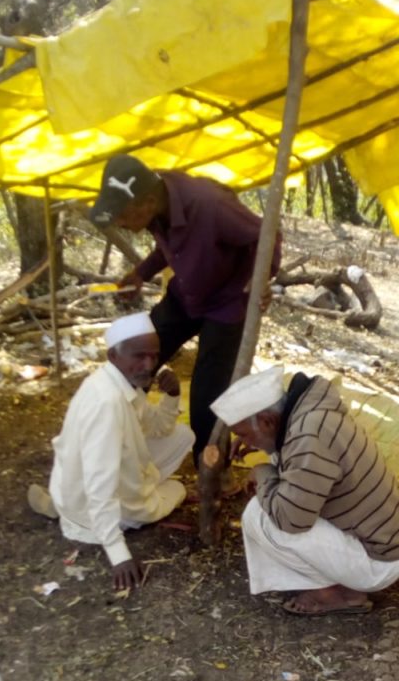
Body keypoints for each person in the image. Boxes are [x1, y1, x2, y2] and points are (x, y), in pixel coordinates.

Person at [89, 154, 281, 465]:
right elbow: (170, 246)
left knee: (208, 391)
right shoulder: (157, 204)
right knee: (137, 350)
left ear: (148, 201)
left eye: (123, 216)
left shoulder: (210, 205)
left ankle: (210, 466)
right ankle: (113, 435)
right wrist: (141, 272)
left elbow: (266, 235)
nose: (121, 224)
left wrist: (261, 278)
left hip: (226, 303)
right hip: (188, 294)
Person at [210, 365, 399, 615]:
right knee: (271, 502)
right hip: (385, 544)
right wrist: (268, 445)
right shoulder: (311, 415)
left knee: (261, 516)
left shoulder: (309, 436)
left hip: (378, 562)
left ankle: (338, 592)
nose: (245, 442)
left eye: (244, 434)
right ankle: (338, 582)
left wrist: (262, 471)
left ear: (267, 421)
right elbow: (297, 468)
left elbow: (290, 519)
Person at [27, 311, 194, 592]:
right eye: (139, 356)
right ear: (113, 356)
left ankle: (63, 504)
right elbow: (99, 482)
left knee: (183, 435)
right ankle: (77, 512)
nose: (148, 364)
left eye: (153, 356)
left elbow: (159, 429)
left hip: (94, 475)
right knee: (178, 490)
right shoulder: (106, 403)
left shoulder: (121, 382)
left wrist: (173, 396)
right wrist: (119, 555)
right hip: (97, 493)